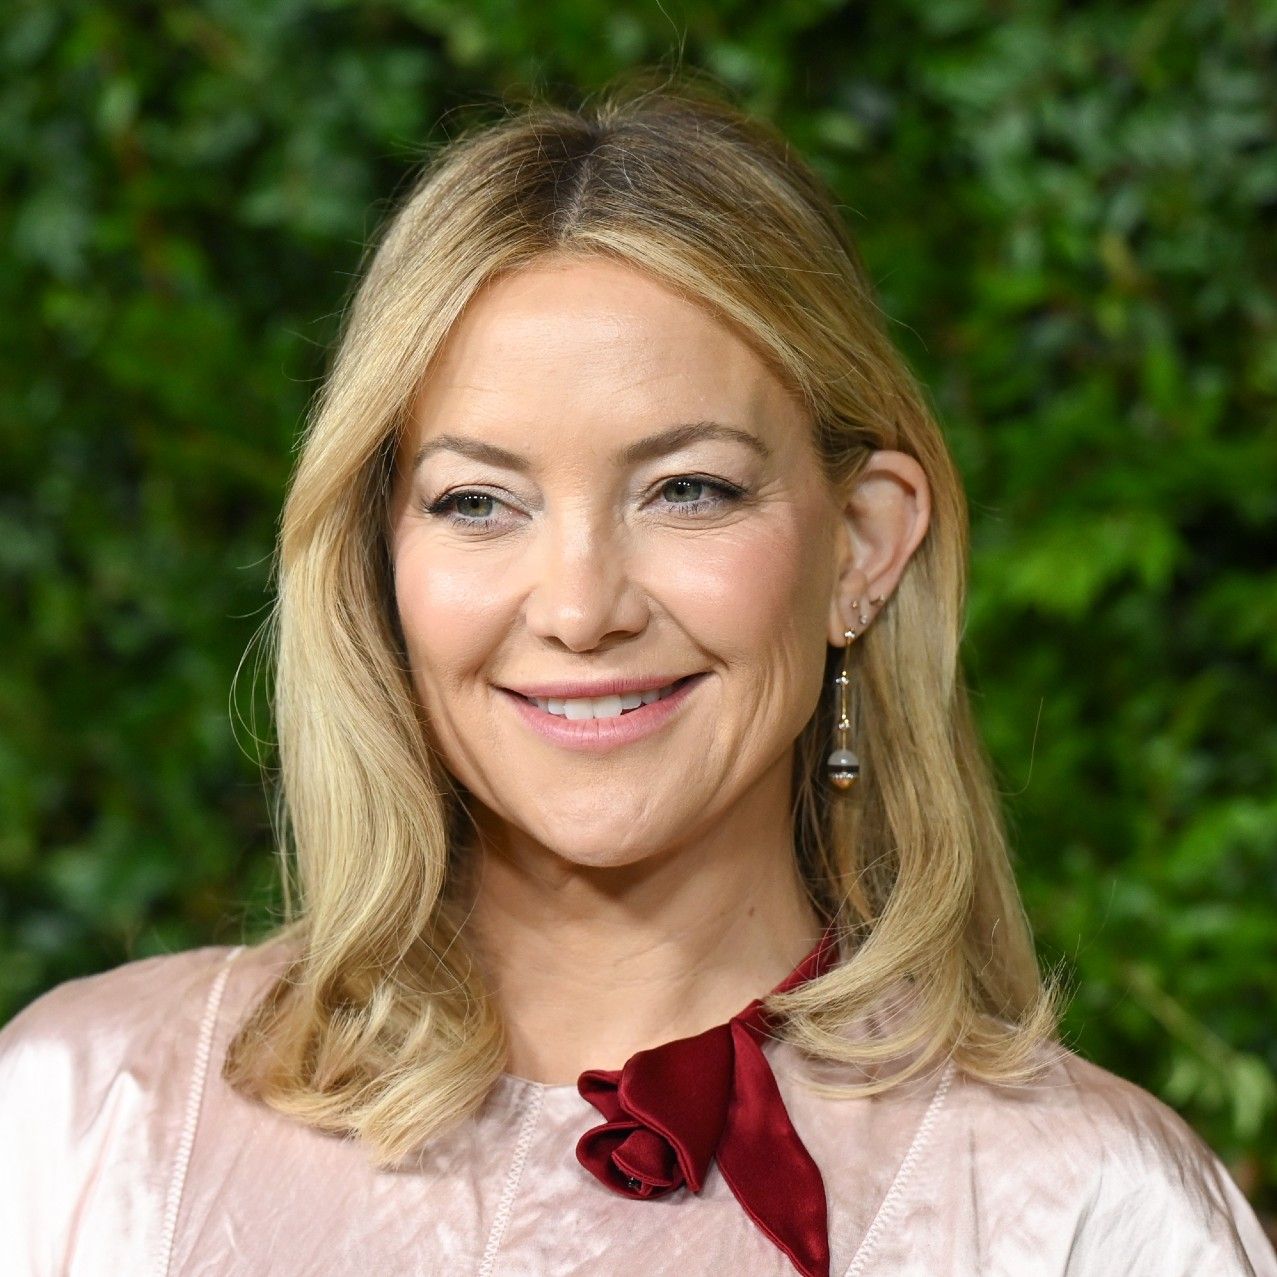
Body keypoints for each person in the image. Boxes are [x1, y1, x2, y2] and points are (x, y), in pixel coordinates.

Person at [0, 73, 1272, 1277]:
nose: (578, 608)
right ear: (382, 556)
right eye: (478, 500)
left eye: (687, 489)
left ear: (862, 543)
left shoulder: (1087, 1216)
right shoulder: (81, 1120)